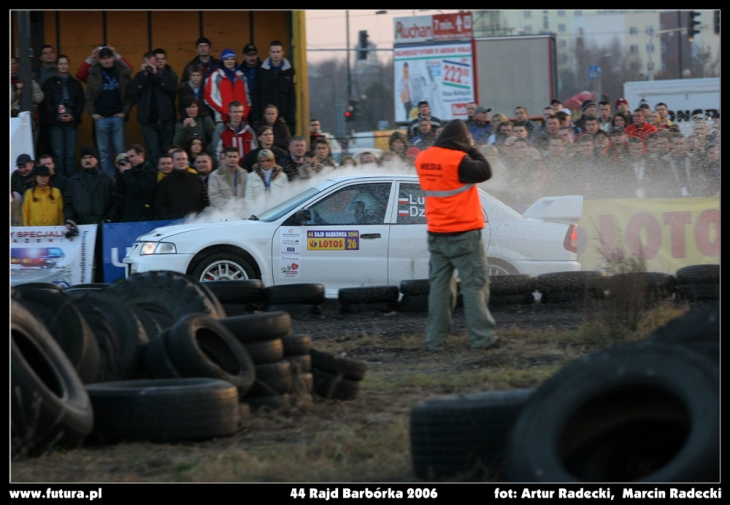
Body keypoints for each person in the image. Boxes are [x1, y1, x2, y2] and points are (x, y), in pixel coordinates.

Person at [414, 119, 498, 352]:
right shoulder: (459, 159)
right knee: (474, 285)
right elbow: (485, 171)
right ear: (461, 140)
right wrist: (470, 147)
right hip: (464, 234)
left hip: (436, 233)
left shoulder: (423, 158)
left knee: (440, 287)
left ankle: (435, 341)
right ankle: (482, 339)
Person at [84, 47, 134, 177]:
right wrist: (92, 113)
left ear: (113, 58)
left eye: (109, 57)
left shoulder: (121, 71)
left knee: (121, 152)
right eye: (103, 58)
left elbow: (129, 93)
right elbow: (88, 96)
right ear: (99, 60)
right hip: (101, 117)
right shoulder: (94, 73)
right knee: (103, 153)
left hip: (118, 116)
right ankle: (109, 180)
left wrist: (124, 112)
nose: (106, 61)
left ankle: (122, 178)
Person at [129, 51, 177, 168]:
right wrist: (143, 75)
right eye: (148, 63)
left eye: (153, 63)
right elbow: (132, 91)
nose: (151, 66)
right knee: (153, 154)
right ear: (144, 63)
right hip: (148, 122)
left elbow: (172, 88)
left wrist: (157, 74)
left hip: (165, 121)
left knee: (166, 152)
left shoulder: (166, 74)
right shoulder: (140, 76)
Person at [42, 54, 85, 178]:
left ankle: (71, 181)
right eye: (61, 64)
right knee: (58, 154)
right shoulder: (49, 82)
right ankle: (59, 180)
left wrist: (73, 116)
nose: (63, 66)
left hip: (71, 122)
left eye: (65, 64)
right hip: (55, 123)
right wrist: (57, 115)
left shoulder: (75, 83)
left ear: (69, 65)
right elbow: (47, 103)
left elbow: (80, 102)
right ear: (56, 66)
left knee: (70, 154)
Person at [63, 146, 119, 226]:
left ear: (96, 159)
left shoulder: (108, 179)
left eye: (90, 157)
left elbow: (116, 201)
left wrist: (109, 219)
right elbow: (68, 203)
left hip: (104, 224)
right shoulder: (73, 181)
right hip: (80, 225)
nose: (87, 160)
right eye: (84, 158)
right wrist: (70, 218)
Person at [251, 41, 296, 134]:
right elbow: (256, 94)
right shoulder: (261, 71)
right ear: (269, 53)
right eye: (273, 52)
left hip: (283, 118)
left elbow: (292, 96)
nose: (276, 55)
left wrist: (290, 119)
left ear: (282, 53)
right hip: (264, 119)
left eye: (278, 52)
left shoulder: (289, 71)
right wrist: (256, 118)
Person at [154, 149, 207, 219]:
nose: (181, 162)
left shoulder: (197, 179)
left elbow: (205, 200)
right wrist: (167, 218)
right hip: (173, 223)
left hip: (195, 221)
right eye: (178, 159)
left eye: (183, 159)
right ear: (173, 162)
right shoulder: (164, 182)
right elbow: (160, 204)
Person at [205, 48, 251, 124]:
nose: (230, 61)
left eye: (232, 59)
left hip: (241, 118)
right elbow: (208, 96)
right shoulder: (216, 75)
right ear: (222, 61)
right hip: (222, 119)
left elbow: (247, 96)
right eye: (227, 59)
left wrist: (246, 111)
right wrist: (224, 110)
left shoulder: (241, 76)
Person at [210, 100, 258, 166]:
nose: (238, 114)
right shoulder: (221, 131)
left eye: (240, 112)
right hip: (227, 170)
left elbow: (255, 152)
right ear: (229, 113)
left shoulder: (249, 131)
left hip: (247, 170)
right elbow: (216, 153)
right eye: (235, 112)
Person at [116, 145, 157, 222]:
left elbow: (138, 189)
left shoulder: (150, 172)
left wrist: (126, 173)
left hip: (144, 216)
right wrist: (120, 172)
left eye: (132, 156)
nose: (130, 160)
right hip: (128, 215)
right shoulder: (130, 171)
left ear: (141, 155)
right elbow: (120, 190)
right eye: (128, 158)